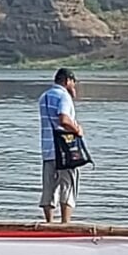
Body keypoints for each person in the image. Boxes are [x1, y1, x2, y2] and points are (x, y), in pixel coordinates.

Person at [38, 67, 83, 224]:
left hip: (48, 149)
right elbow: (63, 119)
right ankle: (65, 223)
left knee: (49, 187)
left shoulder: (44, 97)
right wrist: (77, 129)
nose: (74, 86)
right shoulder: (64, 96)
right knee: (67, 186)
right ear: (67, 80)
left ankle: (48, 223)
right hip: (65, 151)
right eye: (73, 82)